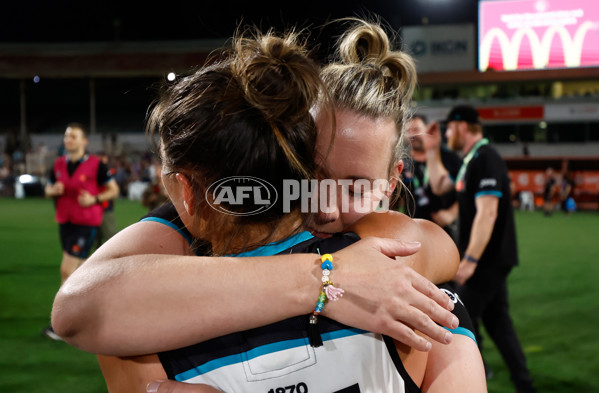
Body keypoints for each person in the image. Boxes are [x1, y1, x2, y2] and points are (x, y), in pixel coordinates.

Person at [86, 20, 485, 393]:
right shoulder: (407, 288)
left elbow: (430, 245)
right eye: (312, 174)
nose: (326, 207)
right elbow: (80, 305)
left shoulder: (402, 267)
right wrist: (325, 278)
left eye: (356, 187)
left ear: (391, 182)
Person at [425, 104, 536, 393]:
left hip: (486, 261)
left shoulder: (487, 158)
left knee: (453, 321)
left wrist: (470, 260)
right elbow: (438, 186)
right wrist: (434, 148)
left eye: (449, 129)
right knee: (499, 324)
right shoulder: (471, 161)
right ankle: (524, 384)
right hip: (490, 261)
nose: (447, 134)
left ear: (462, 126)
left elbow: (488, 213)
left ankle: (463, 381)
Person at [43, 123, 119, 340]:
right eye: (67, 136)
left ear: (84, 141)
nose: (69, 140)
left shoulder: (97, 165)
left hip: (86, 222)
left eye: (73, 136)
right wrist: (52, 190)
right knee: (80, 270)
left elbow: (113, 190)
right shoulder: (58, 164)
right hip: (65, 221)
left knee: (67, 269)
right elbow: (47, 188)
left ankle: (62, 324)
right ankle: (97, 307)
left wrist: (94, 199)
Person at [400, 113, 461, 243]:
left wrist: (451, 213)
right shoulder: (401, 163)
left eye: (416, 129)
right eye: (408, 131)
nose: (412, 135)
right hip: (415, 232)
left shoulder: (449, 158)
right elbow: (397, 200)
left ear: (427, 130)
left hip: (447, 231)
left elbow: (468, 191)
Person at [93, 152, 120, 249]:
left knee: (110, 234)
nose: (102, 160)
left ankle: (115, 256)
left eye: (103, 158)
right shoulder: (97, 172)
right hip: (96, 207)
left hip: (105, 206)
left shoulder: (107, 172)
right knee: (96, 237)